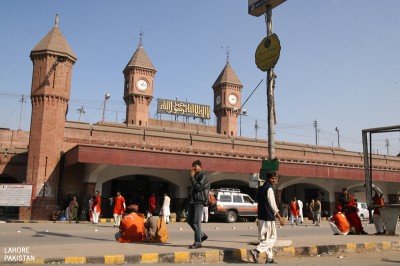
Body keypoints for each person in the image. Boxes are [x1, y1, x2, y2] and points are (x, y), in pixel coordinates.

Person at [250, 171, 285, 264]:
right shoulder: (269, 189)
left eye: (275, 178)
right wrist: (280, 217)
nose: (274, 180)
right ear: (268, 179)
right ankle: (256, 251)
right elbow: (273, 205)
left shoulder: (261, 188)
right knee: (273, 238)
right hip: (268, 218)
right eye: (272, 178)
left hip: (262, 217)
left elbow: (260, 204)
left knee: (266, 239)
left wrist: (258, 217)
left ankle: (269, 258)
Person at [187, 160, 210, 249]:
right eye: (192, 166)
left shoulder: (203, 175)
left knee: (196, 222)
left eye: (195, 166)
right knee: (189, 220)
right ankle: (202, 235)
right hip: (193, 201)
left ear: (200, 166)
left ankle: (198, 242)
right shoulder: (196, 176)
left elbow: (198, 187)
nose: (193, 168)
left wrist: (192, 177)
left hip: (199, 201)